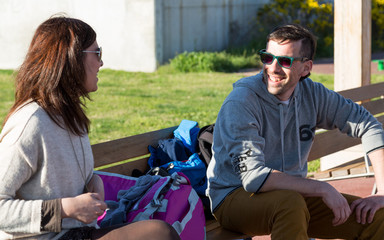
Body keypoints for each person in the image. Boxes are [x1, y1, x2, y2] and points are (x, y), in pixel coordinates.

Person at [0, 16, 180, 240]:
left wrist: (92, 182)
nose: (101, 63)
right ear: (71, 59)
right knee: (159, 234)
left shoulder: (69, 116)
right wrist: (64, 209)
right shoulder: (30, 123)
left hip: (78, 233)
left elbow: (65, 179)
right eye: (97, 53)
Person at [206, 23, 384, 239]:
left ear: (306, 68)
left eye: (284, 61)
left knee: (376, 218)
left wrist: (382, 193)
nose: (272, 68)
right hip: (235, 197)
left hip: (295, 195)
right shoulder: (242, 101)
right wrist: (322, 188)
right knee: (289, 205)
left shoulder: (313, 94)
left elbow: (368, 124)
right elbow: (252, 177)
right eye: (267, 58)